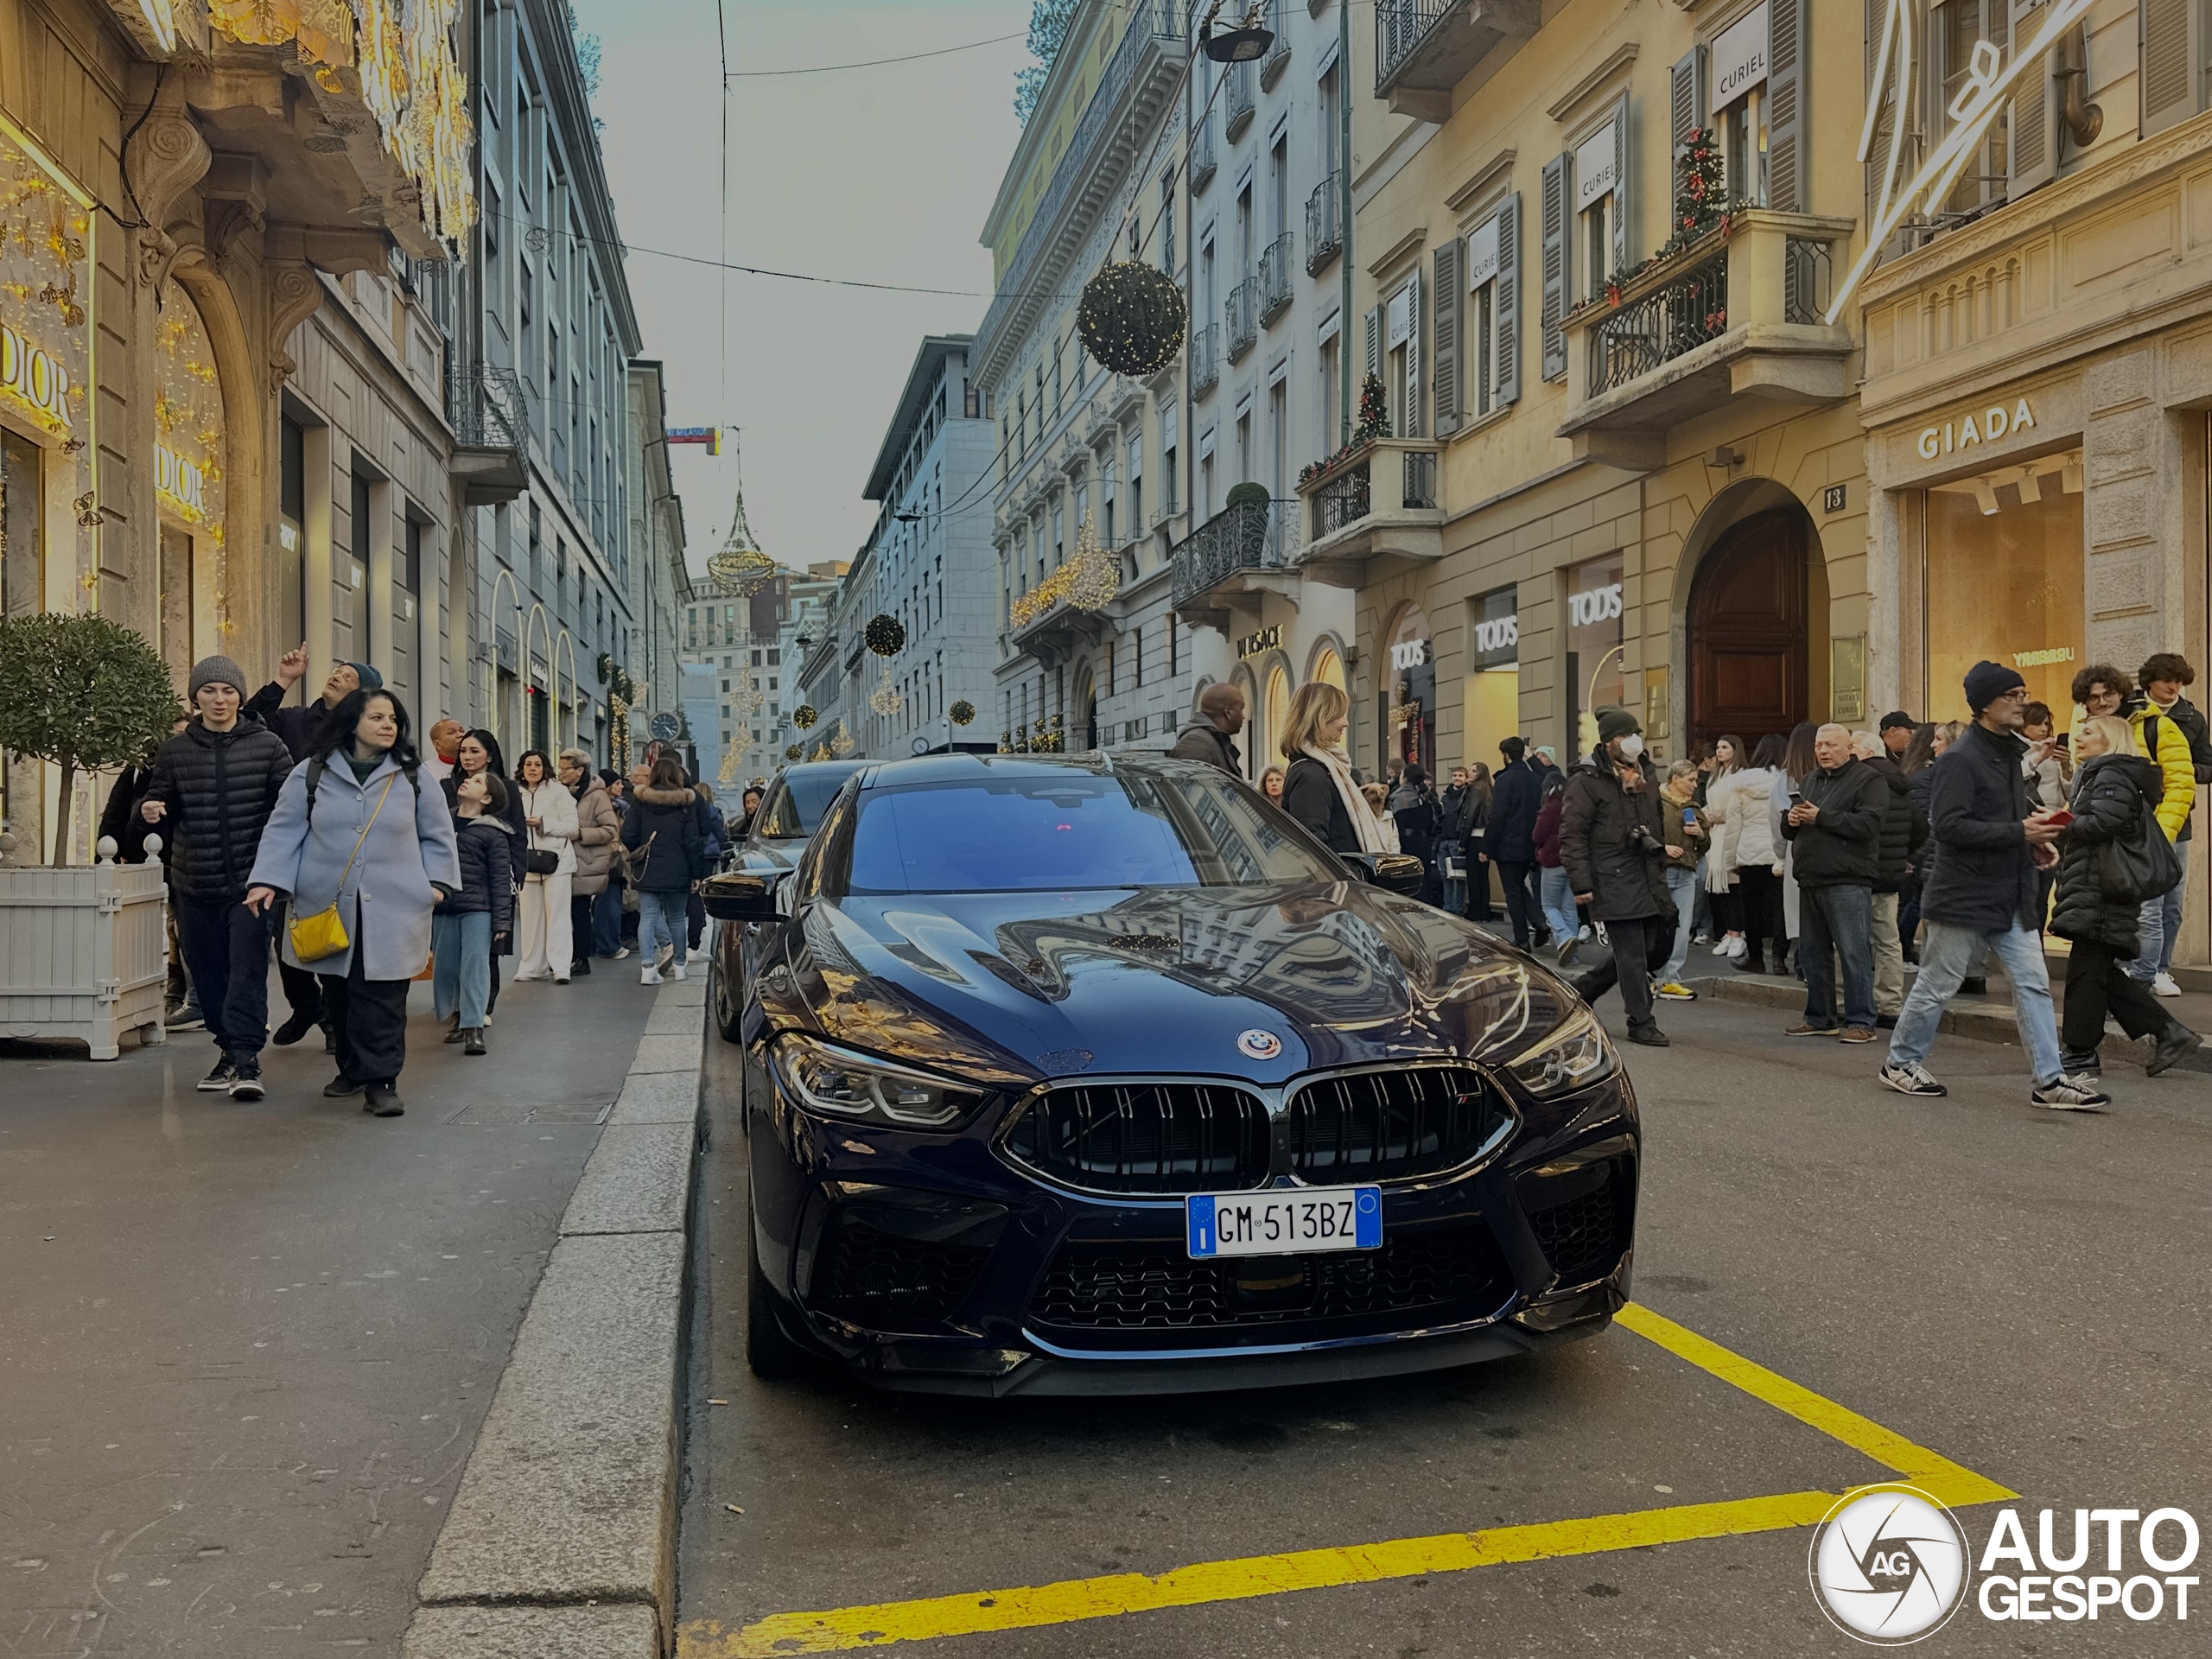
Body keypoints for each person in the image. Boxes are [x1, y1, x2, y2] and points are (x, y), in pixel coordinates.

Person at [1880, 662, 2105, 1108]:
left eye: (2023, 694)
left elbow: (2003, 822)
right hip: (1962, 896)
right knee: (1937, 984)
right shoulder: (1961, 759)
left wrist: (2033, 844)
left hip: (2010, 893)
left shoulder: (2007, 754)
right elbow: (1947, 828)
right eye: (2013, 695)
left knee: (2034, 984)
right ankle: (1901, 1063)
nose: (2023, 702)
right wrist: (2020, 833)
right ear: (1985, 704)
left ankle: (2050, 1080)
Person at [246, 687, 461, 1117]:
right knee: (340, 992)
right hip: (325, 903)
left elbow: (437, 835)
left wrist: (436, 883)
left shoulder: (414, 776)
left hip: (396, 905)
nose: (388, 726)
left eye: (393, 719)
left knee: (383, 995)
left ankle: (382, 1081)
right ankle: (351, 1068)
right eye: (377, 718)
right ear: (351, 723)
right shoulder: (313, 772)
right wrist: (267, 880)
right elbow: (285, 829)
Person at [138, 657, 296, 1099]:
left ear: (241, 698)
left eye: (228, 691)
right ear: (196, 699)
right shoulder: (174, 752)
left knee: (246, 971)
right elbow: (156, 807)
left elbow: (290, 811)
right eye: (209, 691)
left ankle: (246, 1060)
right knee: (206, 976)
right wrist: (148, 812)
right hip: (193, 883)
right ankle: (227, 1051)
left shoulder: (268, 746)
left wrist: (279, 871)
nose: (219, 699)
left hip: (252, 884)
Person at [2050, 713, 2201, 1078]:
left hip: (2103, 887)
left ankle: (2081, 1051)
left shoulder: (2111, 774)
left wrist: (2062, 823)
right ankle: (2169, 1032)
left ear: (2110, 740)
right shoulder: (2097, 775)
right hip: (2095, 885)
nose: (2079, 738)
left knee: (2087, 973)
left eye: (2089, 732)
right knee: (2096, 971)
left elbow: (2106, 822)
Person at [1560, 709, 1676, 1047]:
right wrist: (1581, 884)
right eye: (1625, 736)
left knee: (1654, 947)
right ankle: (1641, 1021)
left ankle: (1583, 989)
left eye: (1635, 733)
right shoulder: (1587, 781)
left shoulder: (1647, 776)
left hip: (1648, 874)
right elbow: (1572, 835)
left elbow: (1652, 824)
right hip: (1612, 876)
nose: (1632, 741)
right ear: (1609, 742)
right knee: (1632, 954)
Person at [1781, 724, 1887, 1041]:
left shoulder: (1869, 780)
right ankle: (1820, 1017)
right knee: (1813, 953)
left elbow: (1868, 824)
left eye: (1830, 745)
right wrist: (1790, 820)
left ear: (1848, 747)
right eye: (1819, 745)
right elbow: (1791, 830)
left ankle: (1861, 1021)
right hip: (1811, 876)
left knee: (1853, 952)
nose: (1823, 751)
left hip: (1847, 879)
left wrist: (1821, 817)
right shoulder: (1811, 779)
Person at [2133, 653, 2208, 995]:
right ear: (2150, 681)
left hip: (2179, 819)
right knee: (2138, 900)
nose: (2173, 687)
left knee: (2172, 902)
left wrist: (2182, 773)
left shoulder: (2192, 717)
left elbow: (2207, 764)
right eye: (2167, 680)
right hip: (2135, 817)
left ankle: (2161, 968)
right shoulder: (2130, 712)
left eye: (2179, 681)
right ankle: (2135, 966)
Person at [435, 771, 514, 1056]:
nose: (468, 780)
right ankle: (457, 1016)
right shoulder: (441, 823)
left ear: (487, 798)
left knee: (475, 965)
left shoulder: (493, 832)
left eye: (478, 781)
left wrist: (502, 919)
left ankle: (474, 1028)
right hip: (444, 907)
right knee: (445, 967)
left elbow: (500, 879)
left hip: (478, 908)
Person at [1851, 730, 1924, 1024]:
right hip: (1890, 873)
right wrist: (1905, 858)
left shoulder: (1858, 779)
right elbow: (1921, 827)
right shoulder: (1899, 780)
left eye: (1851, 746)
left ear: (1865, 751)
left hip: (1859, 869)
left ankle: (1848, 1000)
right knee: (1888, 940)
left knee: (1850, 939)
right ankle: (1889, 1003)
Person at [621, 754, 707, 983]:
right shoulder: (685, 803)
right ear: (677, 776)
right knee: (677, 918)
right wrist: (696, 873)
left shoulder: (640, 802)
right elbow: (692, 841)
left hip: (647, 867)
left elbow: (627, 833)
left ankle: (648, 969)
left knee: (648, 917)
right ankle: (680, 966)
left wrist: (641, 849)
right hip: (678, 868)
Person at [1280, 681, 1389, 859]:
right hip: (1338, 884)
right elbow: (1313, 851)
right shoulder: (1311, 776)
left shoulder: (1323, 770)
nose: (1345, 723)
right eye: (1340, 715)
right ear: (1320, 718)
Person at [1716, 735, 1789, 975]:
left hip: (1749, 854)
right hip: (1780, 854)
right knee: (1782, 908)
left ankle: (1756, 957)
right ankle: (1779, 957)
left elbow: (1733, 826)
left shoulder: (1741, 785)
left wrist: (1730, 861)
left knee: (1751, 909)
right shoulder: (1786, 781)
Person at [511, 749, 578, 983]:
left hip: (557, 861)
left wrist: (544, 824)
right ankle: (532, 966)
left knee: (558, 915)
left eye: (537, 765)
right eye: (528, 764)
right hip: (526, 861)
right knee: (530, 917)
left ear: (545, 768)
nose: (532, 769)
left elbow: (573, 828)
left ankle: (560, 966)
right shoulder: (515, 793)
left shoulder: (559, 792)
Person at [1654, 760, 1708, 1001]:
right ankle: (1651, 977)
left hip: (1686, 872)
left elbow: (1704, 846)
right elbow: (1643, 832)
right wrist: (1662, 848)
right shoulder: (1655, 802)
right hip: (1660, 871)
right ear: (1675, 779)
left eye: (1696, 780)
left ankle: (1672, 978)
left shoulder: (1694, 808)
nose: (1695, 785)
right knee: (1657, 927)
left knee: (1682, 928)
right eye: (1691, 780)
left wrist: (1701, 835)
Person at [1488, 736, 1548, 950]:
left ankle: (1522, 939)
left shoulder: (1505, 780)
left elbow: (1498, 816)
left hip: (1508, 845)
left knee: (1512, 891)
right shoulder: (1535, 780)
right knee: (1520, 888)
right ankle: (1539, 922)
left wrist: (1487, 847)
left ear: (1505, 756)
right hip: (1531, 842)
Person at [562, 749, 619, 977]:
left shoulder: (597, 795)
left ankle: (581, 958)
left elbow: (610, 830)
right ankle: (562, 957)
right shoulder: (559, 791)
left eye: (566, 768)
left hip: (585, 862)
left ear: (580, 771)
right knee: (559, 913)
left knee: (579, 911)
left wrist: (580, 834)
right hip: (559, 861)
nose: (561, 773)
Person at [1700, 735, 1746, 958]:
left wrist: (1716, 815)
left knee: (1733, 887)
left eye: (1725, 747)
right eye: (1717, 747)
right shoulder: (1715, 776)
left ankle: (1738, 934)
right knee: (1719, 888)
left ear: (1735, 750)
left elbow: (1739, 808)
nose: (1719, 751)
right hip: (1715, 834)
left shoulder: (1741, 776)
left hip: (1731, 833)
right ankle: (1728, 932)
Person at [1532, 776, 1580, 963]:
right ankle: (1572, 956)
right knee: (1569, 908)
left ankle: (1565, 937)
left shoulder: (1550, 807)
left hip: (1552, 861)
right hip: (1573, 861)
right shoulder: (1575, 805)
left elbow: (1538, 835)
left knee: (1549, 906)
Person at [1167, 683, 1246, 774]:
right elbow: (1191, 786)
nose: (1243, 716)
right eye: (1241, 709)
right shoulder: (1196, 743)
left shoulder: (1208, 741)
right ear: (1228, 712)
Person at [1390, 764, 1441, 895]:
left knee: (1407, 882)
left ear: (1405, 778)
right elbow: (1435, 822)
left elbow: (1395, 824)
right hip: (1424, 844)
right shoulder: (1427, 796)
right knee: (1424, 880)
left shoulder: (1399, 798)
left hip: (1405, 845)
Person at [1361, 782, 1402, 852]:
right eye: (1373, 802)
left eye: (1379, 802)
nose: (1376, 806)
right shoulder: (1361, 820)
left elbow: (1395, 847)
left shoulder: (1389, 820)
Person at [423, 719, 465, 784]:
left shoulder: (477, 764)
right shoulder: (426, 770)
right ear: (437, 744)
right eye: (451, 732)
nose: (460, 735)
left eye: (462, 731)